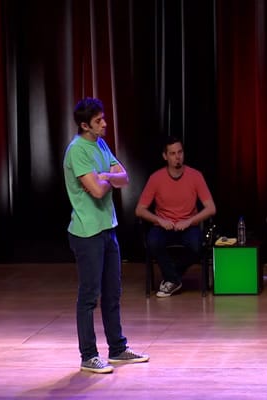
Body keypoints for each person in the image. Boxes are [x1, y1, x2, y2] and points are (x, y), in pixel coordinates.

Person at [63, 97, 149, 373]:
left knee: (113, 293)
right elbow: (98, 191)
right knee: (89, 295)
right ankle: (88, 355)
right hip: (87, 232)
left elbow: (124, 177)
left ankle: (117, 348)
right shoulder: (77, 151)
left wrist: (104, 176)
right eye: (98, 121)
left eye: (103, 119)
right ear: (84, 125)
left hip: (107, 228)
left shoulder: (100, 143)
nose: (105, 124)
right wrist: (107, 178)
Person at [135, 136, 216, 298]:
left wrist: (189, 221)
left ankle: (172, 277)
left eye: (180, 152)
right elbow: (140, 210)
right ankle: (173, 278)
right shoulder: (156, 178)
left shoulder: (195, 176)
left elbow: (211, 208)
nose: (177, 157)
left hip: (188, 226)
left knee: (197, 245)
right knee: (153, 242)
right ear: (165, 156)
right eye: (172, 153)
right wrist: (159, 220)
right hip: (164, 226)